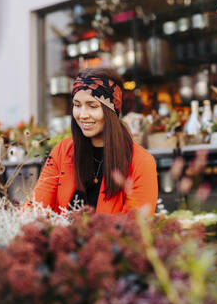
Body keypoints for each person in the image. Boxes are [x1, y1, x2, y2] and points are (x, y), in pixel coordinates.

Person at [31, 68, 158, 216]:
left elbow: (134, 229)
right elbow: (34, 209)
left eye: (92, 106)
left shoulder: (141, 161)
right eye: (77, 105)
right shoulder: (62, 151)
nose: (83, 115)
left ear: (112, 110)